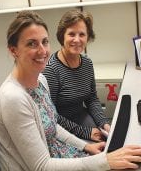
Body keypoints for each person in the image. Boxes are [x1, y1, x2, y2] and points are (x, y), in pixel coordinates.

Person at [0, 10, 141, 170]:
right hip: (41, 165)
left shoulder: (40, 80)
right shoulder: (13, 98)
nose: (42, 51)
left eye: (45, 42)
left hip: (56, 151)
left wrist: (86, 146)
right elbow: (41, 166)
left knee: (127, 162)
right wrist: (105, 161)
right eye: (32, 43)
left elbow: (53, 126)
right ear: (13, 50)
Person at [43, 9, 110, 142]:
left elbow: (91, 98)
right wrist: (85, 132)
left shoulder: (87, 63)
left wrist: (104, 123)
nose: (77, 40)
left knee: (107, 142)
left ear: (88, 37)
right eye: (71, 34)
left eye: (82, 34)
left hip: (82, 117)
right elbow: (50, 115)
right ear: (63, 36)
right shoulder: (51, 69)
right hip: (60, 127)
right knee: (94, 153)